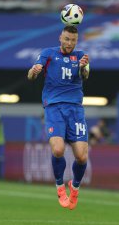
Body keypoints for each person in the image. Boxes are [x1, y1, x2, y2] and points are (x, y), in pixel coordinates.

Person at [27, 25, 90, 210]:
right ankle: (60, 186)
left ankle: (75, 187)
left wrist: (83, 67)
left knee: (81, 156)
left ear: (76, 41)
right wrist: (34, 71)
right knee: (58, 150)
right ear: (60, 38)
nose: (69, 43)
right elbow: (30, 76)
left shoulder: (81, 57)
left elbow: (85, 75)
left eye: (73, 40)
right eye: (66, 39)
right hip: (54, 107)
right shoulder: (48, 53)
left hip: (75, 109)